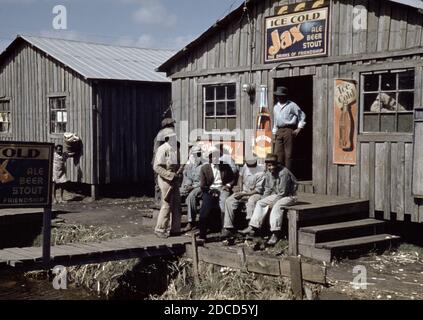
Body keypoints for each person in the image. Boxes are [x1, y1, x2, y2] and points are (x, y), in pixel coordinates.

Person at [240, 154, 298, 246]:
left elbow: (283, 192)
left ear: (277, 164)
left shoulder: (284, 173)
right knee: (260, 203)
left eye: (272, 165)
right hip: (277, 195)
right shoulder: (268, 173)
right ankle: (253, 226)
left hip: (290, 196)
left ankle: (275, 233)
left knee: (277, 206)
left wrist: (273, 202)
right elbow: (267, 189)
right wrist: (265, 199)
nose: (270, 167)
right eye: (269, 165)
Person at [198, 147, 236, 242]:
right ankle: (202, 234)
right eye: (213, 157)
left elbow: (232, 178)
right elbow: (203, 185)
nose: (215, 159)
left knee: (224, 203)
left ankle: (225, 229)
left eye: (217, 156)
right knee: (205, 207)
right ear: (210, 158)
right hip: (209, 189)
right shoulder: (204, 168)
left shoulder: (225, 166)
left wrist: (227, 185)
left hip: (222, 188)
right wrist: (211, 191)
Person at [221, 157, 266, 237]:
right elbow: (240, 177)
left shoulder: (261, 171)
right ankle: (228, 228)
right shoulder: (245, 166)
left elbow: (258, 190)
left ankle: (251, 228)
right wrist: (240, 189)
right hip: (244, 191)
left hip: (255, 193)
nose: (249, 166)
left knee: (251, 202)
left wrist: (244, 195)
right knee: (229, 200)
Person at [153, 128, 182, 238]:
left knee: (177, 204)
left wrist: (178, 174)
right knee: (167, 204)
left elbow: (178, 164)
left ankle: (175, 229)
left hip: (175, 179)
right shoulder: (162, 149)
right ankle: (160, 229)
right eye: (172, 137)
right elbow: (156, 167)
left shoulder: (176, 149)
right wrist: (169, 175)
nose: (174, 138)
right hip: (165, 179)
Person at [272, 86, 306, 171]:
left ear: (285, 96)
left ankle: (288, 174)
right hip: (279, 131)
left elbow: (302, 115)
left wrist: (299, 128)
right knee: (277, 153)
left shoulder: (292, 105)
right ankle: (279, 173)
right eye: (278, 96)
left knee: (288, 154)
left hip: (288, 130)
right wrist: (274, 133)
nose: (279, 97)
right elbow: (275, 122)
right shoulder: (275, 107)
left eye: (281, 96)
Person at [152, 118, 176, 207]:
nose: (173, 127)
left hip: (165, 160)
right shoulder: (161, 135)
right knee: (159, 183)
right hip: (160, 161)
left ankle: (164, 201)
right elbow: (157, 149)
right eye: (171, 125)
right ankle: (158, 203)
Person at [180, 145, 204, 232]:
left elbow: (205, 181)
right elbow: (188, 178)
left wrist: (192, 187)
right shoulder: (190, 165)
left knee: (191, 196)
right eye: (195, 154)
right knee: (176, 193)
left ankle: (191, 222)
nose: (197, 156)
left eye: (199, 154)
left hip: (201, 187)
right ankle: (173, 222)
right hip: (192, 186)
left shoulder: (204, 165)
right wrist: (187, 186)